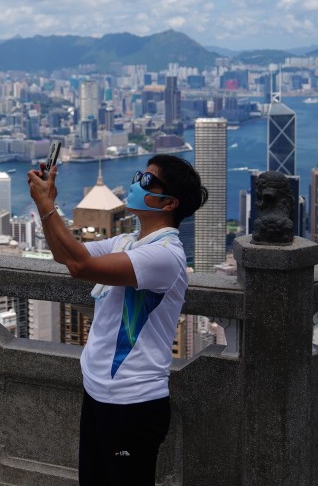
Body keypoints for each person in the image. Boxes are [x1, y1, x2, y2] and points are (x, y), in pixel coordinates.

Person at [27, 154, 208, 485]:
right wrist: (45, 204)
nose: (137, 183)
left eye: (149, 181)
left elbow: (82, 267)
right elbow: (65, 256)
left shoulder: (165, 256)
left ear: (170, 203)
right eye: (141, 175)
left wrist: (48, 205)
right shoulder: (128, 242)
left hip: (133, 404)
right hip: (98, 394)